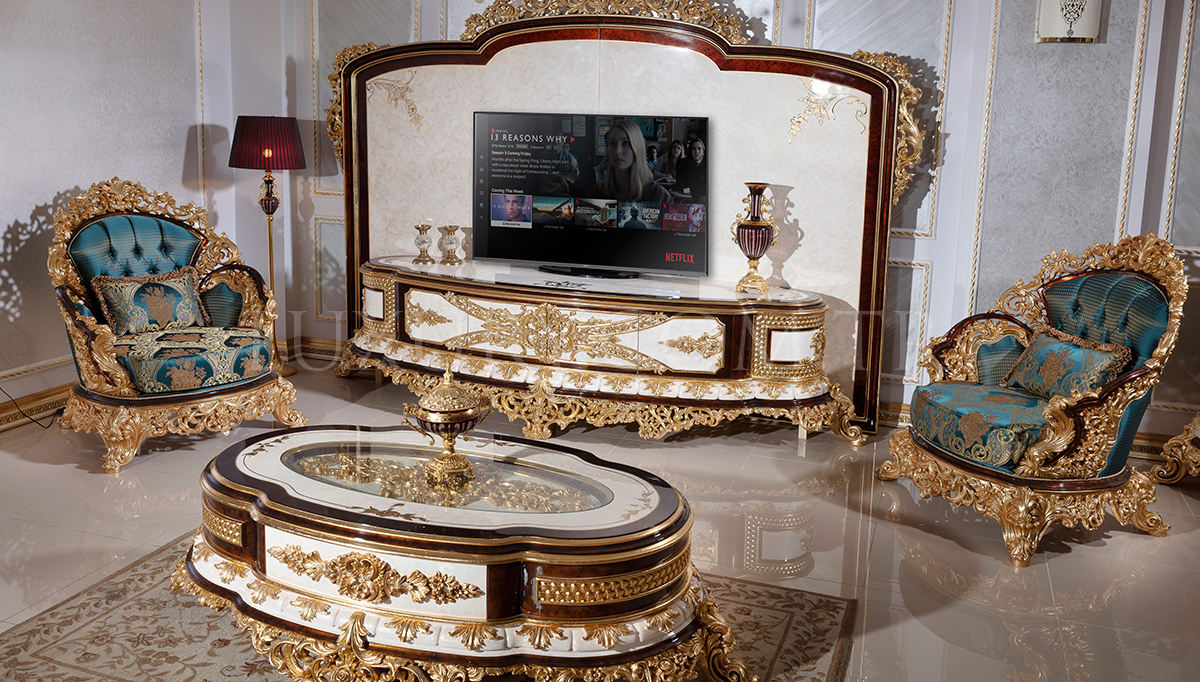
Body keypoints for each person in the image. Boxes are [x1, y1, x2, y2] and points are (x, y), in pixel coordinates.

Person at [587, 119, 671, 204]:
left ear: (637, 148)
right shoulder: (595, 194)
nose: (618, 151)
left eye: (626, 143)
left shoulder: (660, 197)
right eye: (613, 143)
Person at [674, 138, 707, 202]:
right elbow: (681, 185)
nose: (696, 151)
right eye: (693, 149)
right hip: (686, 198)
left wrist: (708, 197)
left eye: (699, 149)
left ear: (703, 151)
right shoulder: (682, 164)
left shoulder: (708, 166)